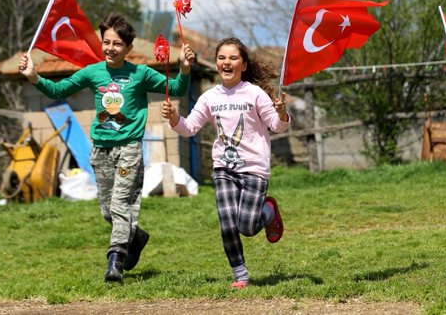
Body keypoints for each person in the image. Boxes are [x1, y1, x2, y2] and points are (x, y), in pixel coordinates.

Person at [18, 14, 195, 282]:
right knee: (106, 210)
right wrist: (33, 76)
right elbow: (57, 90)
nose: (111, 48)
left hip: (129, 148)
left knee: (121, 204)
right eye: (107, 42)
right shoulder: (93, 71)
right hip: (100, 150)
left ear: (128, 49)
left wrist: (183, 68)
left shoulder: (140, 73)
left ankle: (115, 261)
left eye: (117, 44)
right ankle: (137, 237)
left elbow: (178, 90)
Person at [161, 37, 290, 289]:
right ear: (217, 64)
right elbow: (189, 128)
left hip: (254, 168)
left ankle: (268, 211)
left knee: (247, 226)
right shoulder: (210, 97)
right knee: (227, 222)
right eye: (222, 58)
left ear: (243, 65)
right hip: (223, 168)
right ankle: (240, 275)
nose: (226, 62)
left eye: (233, 58)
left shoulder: (255, 94)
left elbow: (276, 125)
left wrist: (282, 112)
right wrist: (175, 117)